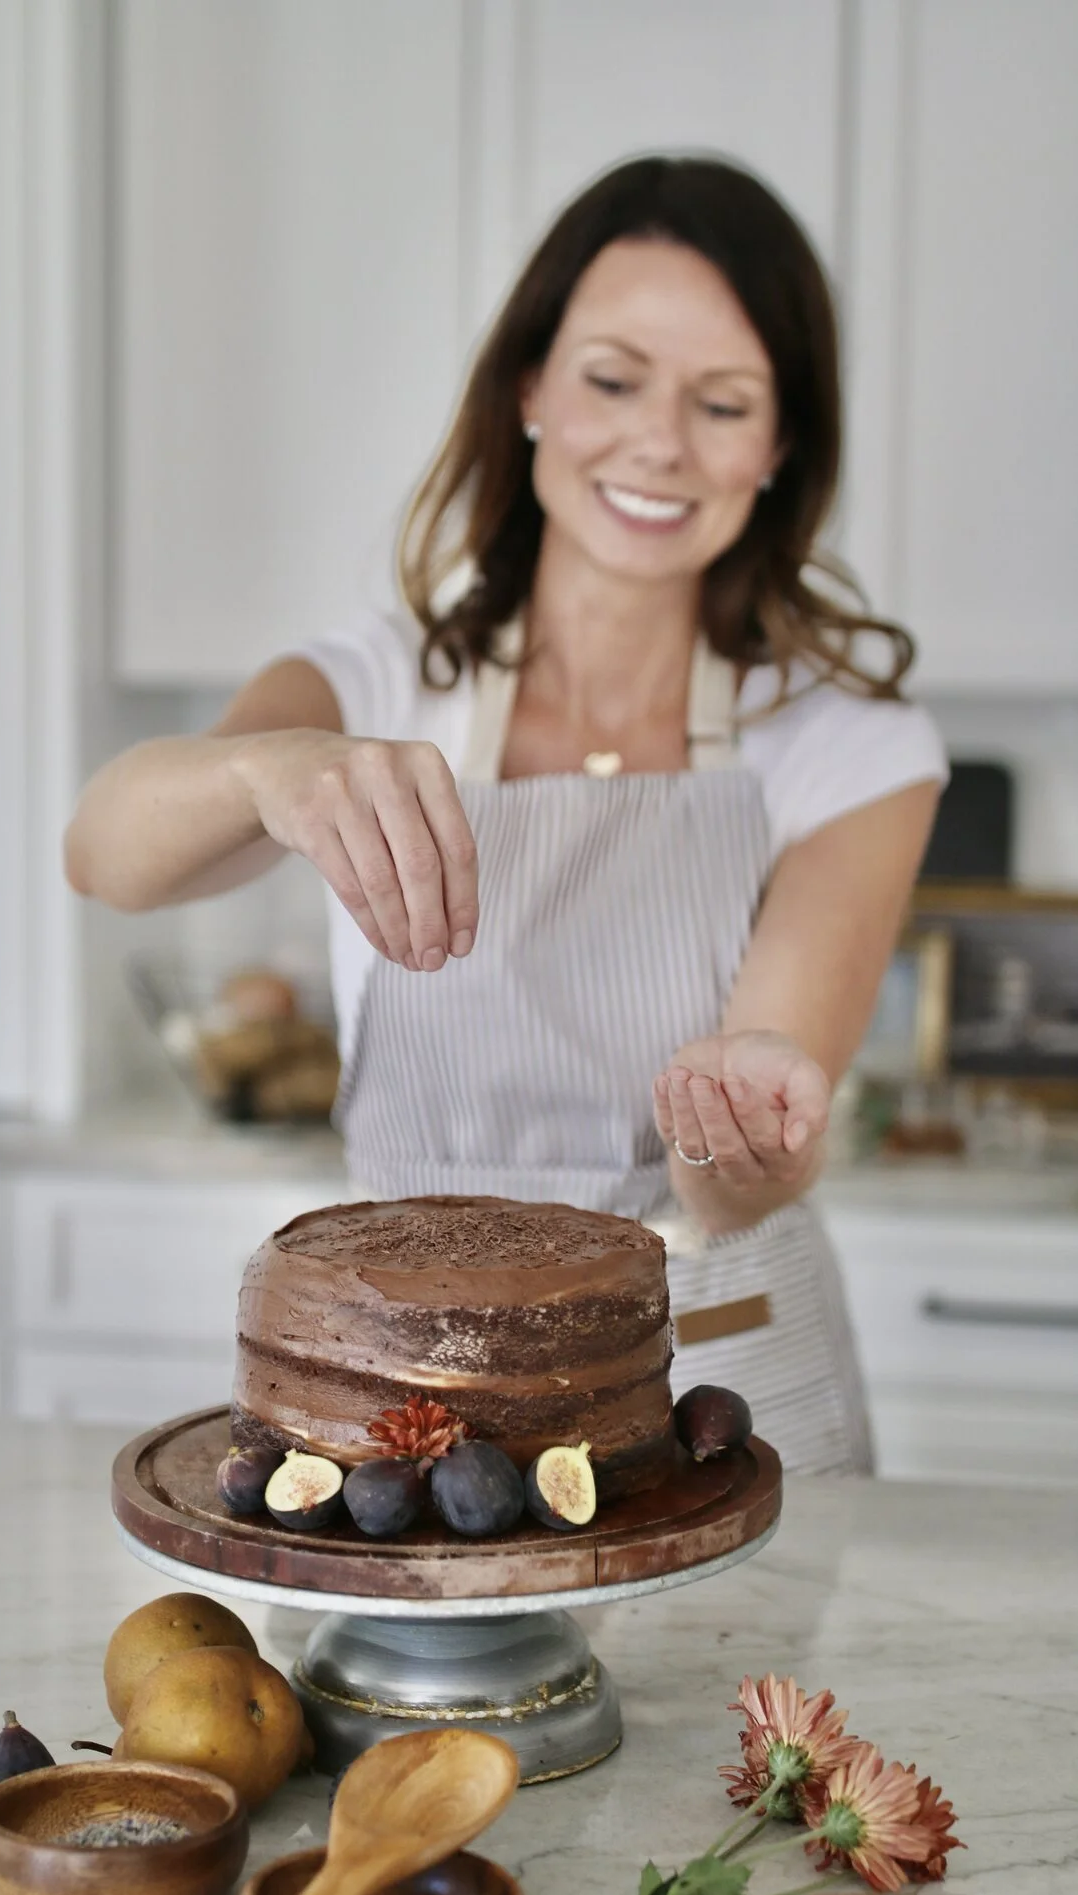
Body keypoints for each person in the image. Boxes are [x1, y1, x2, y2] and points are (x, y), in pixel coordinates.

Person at [66, 156, 947, 1474]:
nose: (659, 442)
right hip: (411, 1391)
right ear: (528, 387)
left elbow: (737, 1176)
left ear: (779, 448)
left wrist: (748, 1130)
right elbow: (105, 855)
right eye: (612, 379)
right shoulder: (373, 681)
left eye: (723, 403)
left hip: (713, 1386)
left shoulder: (848, 748)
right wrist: (273, 771)